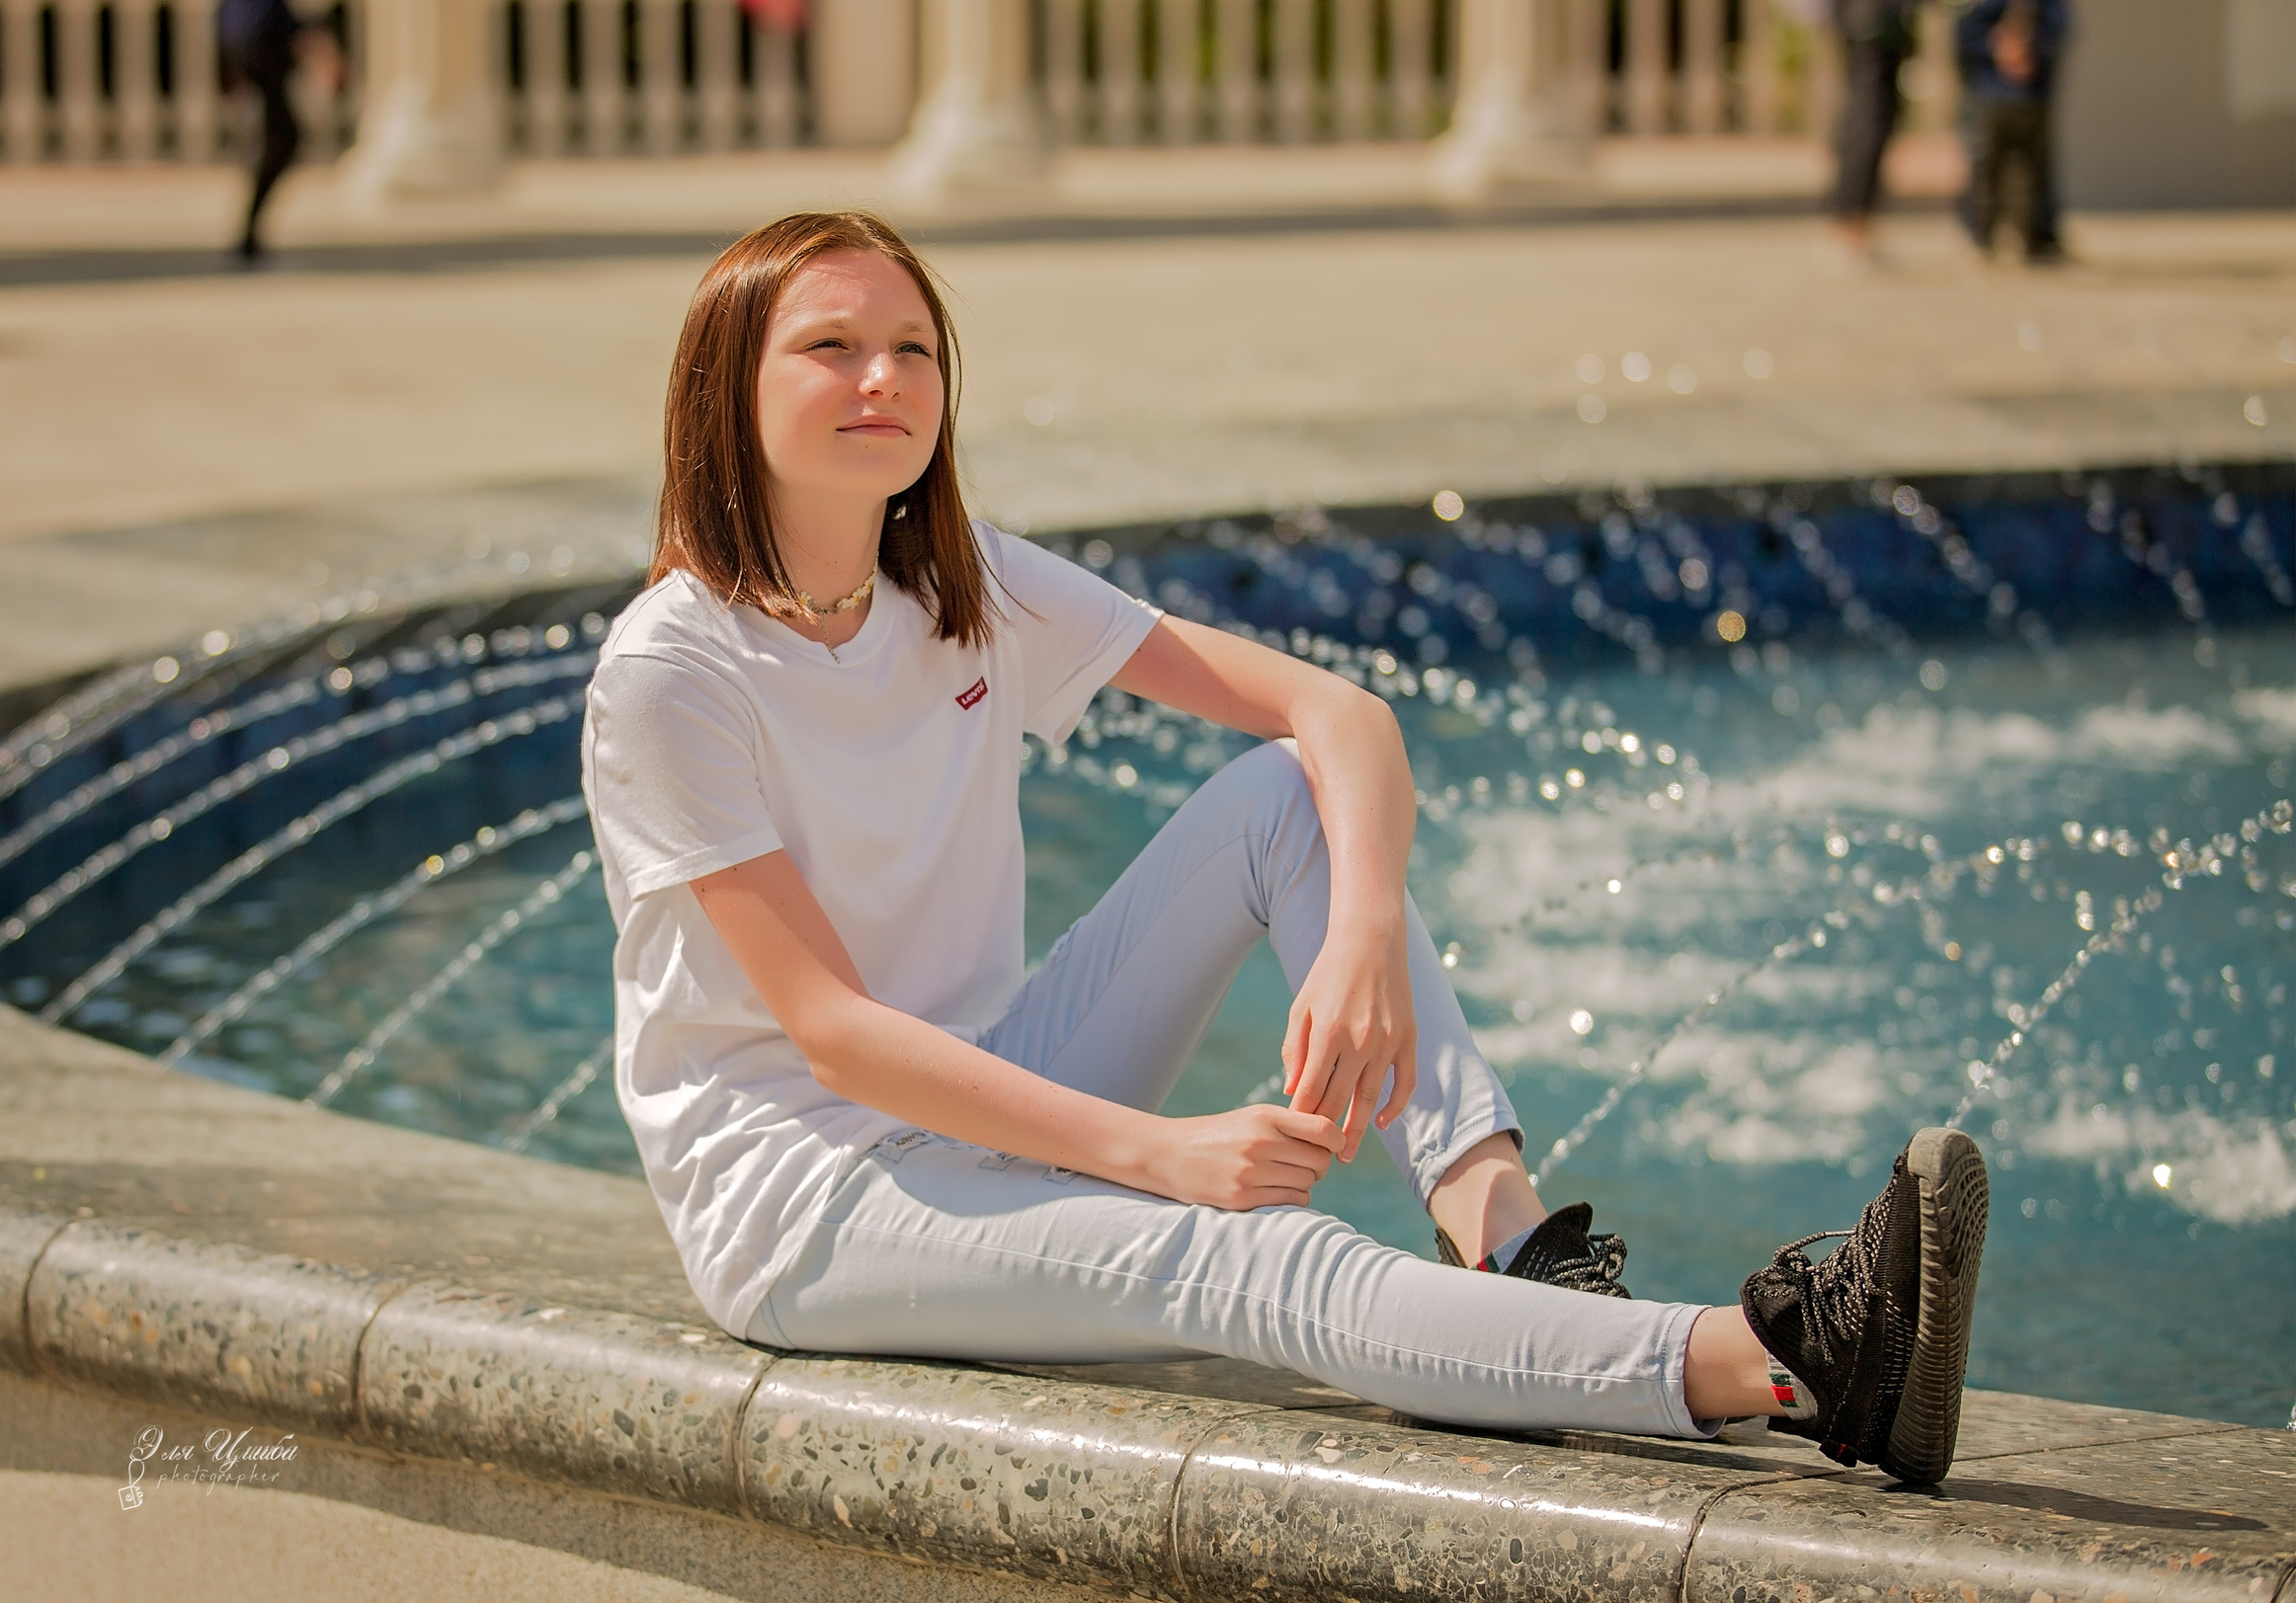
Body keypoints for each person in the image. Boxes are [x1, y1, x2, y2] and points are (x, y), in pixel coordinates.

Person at [580, 210, 1992, 1483]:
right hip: (809, 1196)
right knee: (1247, 1252)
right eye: (831, 347)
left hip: (990, 1085)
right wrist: (1158, 1151)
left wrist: (1364, 928)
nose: (884, 379)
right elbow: (833, 1033)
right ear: (730, 390)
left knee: (1283, 794)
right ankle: (1789, 1363)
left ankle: (1514, 1242)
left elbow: (1337, 715)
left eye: (912, 346)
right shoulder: (674, 670)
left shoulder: (962, 580)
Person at [215, 0, 338, 264]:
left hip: (253, 48)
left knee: (277, 139)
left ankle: (250, 229)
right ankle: (249, 230)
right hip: (262, 48)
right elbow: (273, 21)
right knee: (283, 138)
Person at [1956, 0, 2068, 263]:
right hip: (1990, 96)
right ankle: (1981, 239)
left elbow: (2061, 27)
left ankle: (2034, 241)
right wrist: (1997, 49)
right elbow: (1964, 33)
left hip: (2031, 97)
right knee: (1986, 173)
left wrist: (2032, 51)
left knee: (2032, 174)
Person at [1829, 0, 1926, 265]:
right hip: (1874, 23)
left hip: (1873, 22)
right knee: (1868, 123)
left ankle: (1856, 221)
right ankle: (1852, 223)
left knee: (1870, 120)